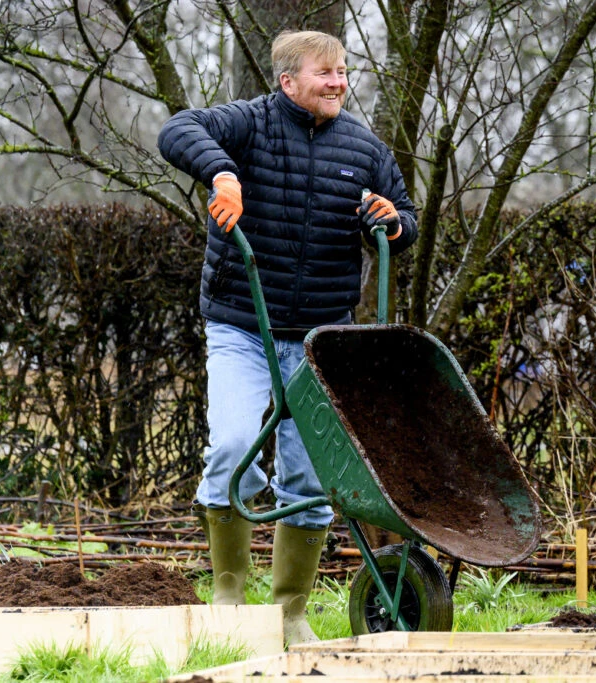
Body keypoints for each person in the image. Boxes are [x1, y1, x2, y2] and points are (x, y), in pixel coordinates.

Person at [157, 30, 418, 646]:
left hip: (321, 343)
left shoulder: (364, 147)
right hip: (242, 325)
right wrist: (222, 174)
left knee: (308, 478)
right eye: (325, 73)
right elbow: (176, 129)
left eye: (344, 72)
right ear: (288, 81)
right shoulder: (247, 124)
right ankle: (228, 594)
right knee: (233, 448)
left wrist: (391, 222)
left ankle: (289, 613)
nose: (338, 82)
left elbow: (406, 219)